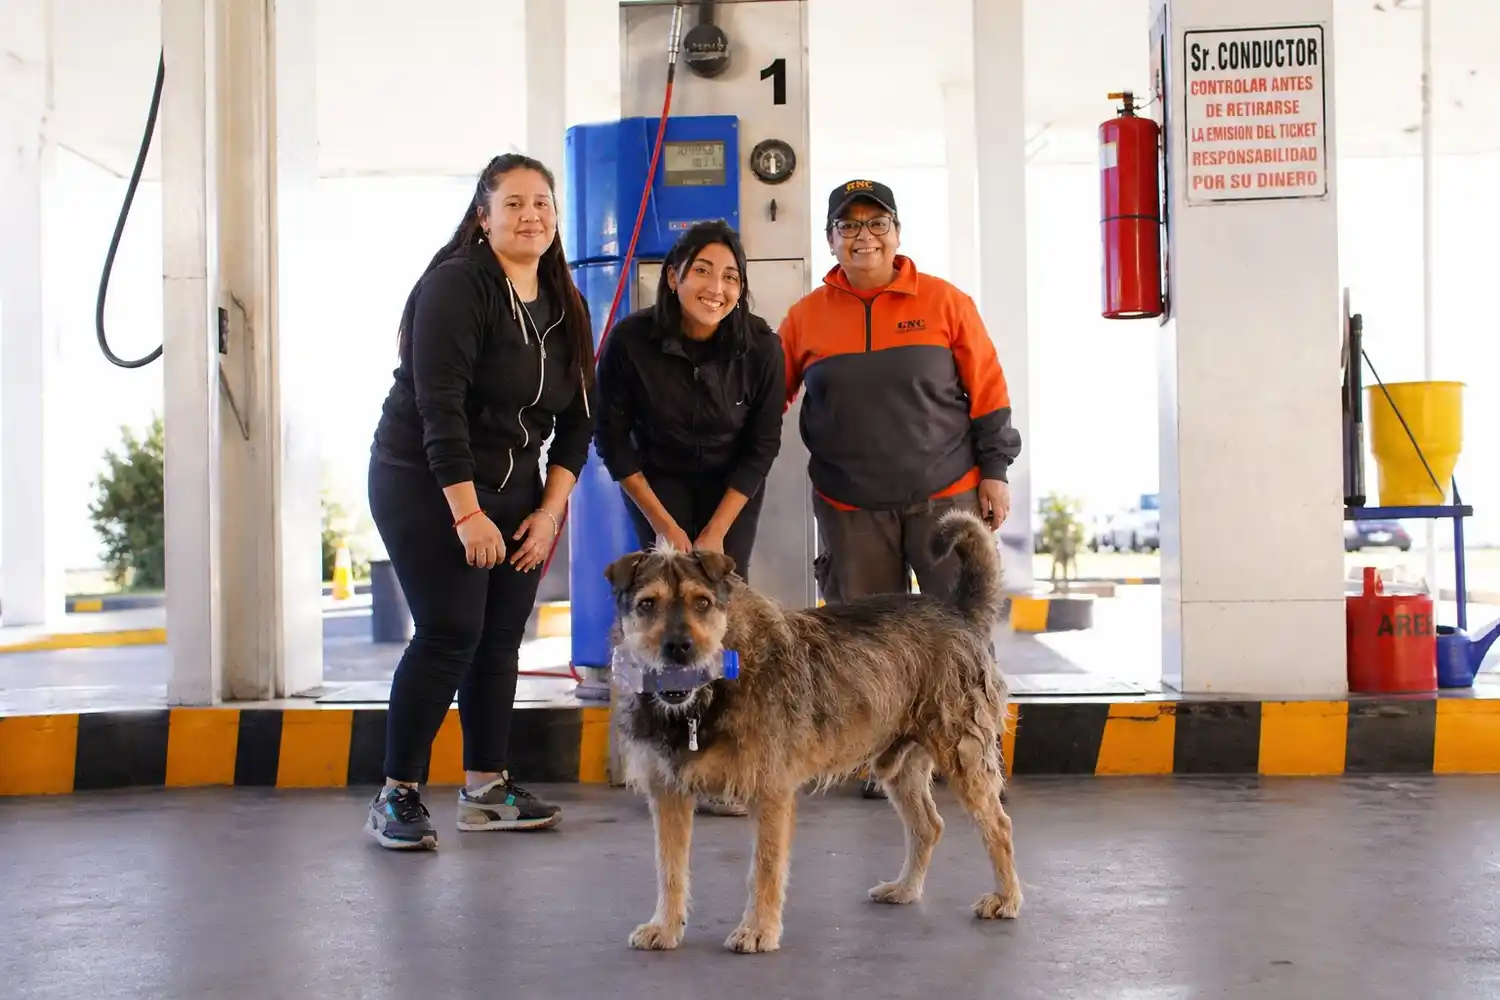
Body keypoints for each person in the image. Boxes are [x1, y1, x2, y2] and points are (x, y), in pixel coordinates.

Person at [364, 153, 596, 849]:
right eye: (515, 203)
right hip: (424, 479)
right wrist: (467, 515)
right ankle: (395, 795)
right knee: (449, 630)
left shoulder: (564, 304)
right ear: (484, 216)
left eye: (543, 204)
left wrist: (548, 512)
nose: (531, 216)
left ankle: (486, 788)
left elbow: (580, 422)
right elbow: (441, 412)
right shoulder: (457, 288)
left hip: (516, 485)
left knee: (499, 639)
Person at [779, 179, 1022, 798]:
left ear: (897, 233)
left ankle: (978, 755)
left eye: (876, 223)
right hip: (848, 504)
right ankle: (876, 759)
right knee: (862, 643)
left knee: (962, 629)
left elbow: (988, 390)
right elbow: (767, 400)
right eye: (849, 225)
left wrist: (994, 472)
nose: (864, 236)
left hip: (945, 493)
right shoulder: (806, 316)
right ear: (831, 239)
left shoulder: (944, 302)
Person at [594, 220, 786, 817]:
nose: (717, 287)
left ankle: (721, 759)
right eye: (702, 270)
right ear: (674, 276)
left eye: (731, 277)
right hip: (656, 482)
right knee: (655, 605)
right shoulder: (631, 342)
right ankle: (652, 753)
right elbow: (613, 439)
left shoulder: (760, 345)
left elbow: (762, 444)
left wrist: (718, 530)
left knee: (717, 614)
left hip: (732, 487)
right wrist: (664, 524)